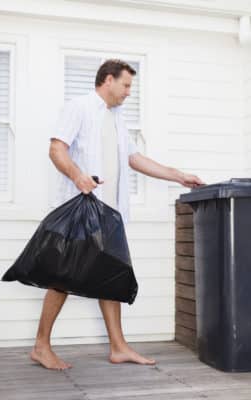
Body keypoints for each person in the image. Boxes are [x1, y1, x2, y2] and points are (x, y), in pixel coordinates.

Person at [30, 59, 204, 370]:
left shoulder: (116, 118)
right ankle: (41, 346)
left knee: (111, 274)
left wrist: (178, 175)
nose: (127, 93)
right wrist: (78, 176)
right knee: (63, 277)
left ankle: (118, 347)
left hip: (110, 214)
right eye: (125, 86)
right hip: (82, 210)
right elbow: (57, 149)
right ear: (108, 80)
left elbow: (135, 159)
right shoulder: (79, 107)